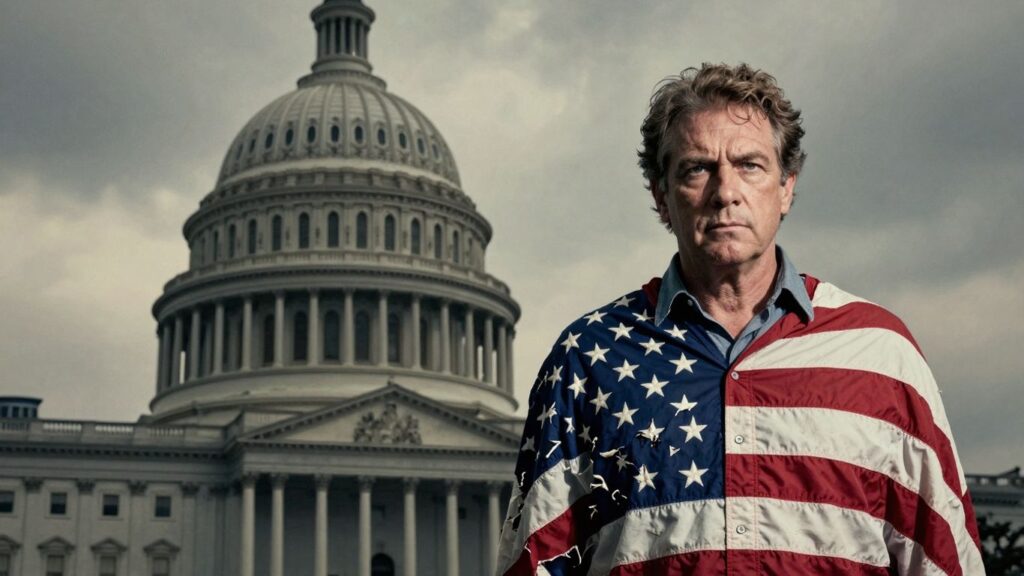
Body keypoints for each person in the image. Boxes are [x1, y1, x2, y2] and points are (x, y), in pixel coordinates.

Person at [495, 63, 983, 575]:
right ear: (661, 197)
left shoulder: (882, 355)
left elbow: (944, 561)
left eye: (750, 165)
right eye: (697, 168)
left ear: (787, 187)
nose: (725, 192)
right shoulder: (586, 360)